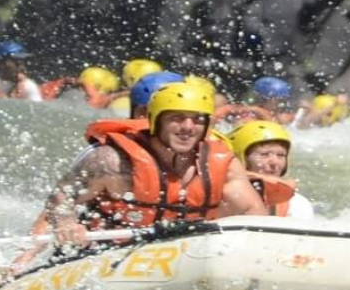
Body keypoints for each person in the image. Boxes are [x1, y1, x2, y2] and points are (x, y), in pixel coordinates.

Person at [34, 80, 266, 249]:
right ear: (155, 121)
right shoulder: (111, 161)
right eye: (176, 118)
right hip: (100, 251)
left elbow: (254, 213)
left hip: (180, 254)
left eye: (197, 120)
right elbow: (61, 198)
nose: (187, 127)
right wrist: (67, 223)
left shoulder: (224, 165)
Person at [226, 120, 299, 215]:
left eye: (281, 155)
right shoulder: (220, 198)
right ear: (240, 158)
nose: (274, 162)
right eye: (264, 154)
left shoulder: (296, 205)